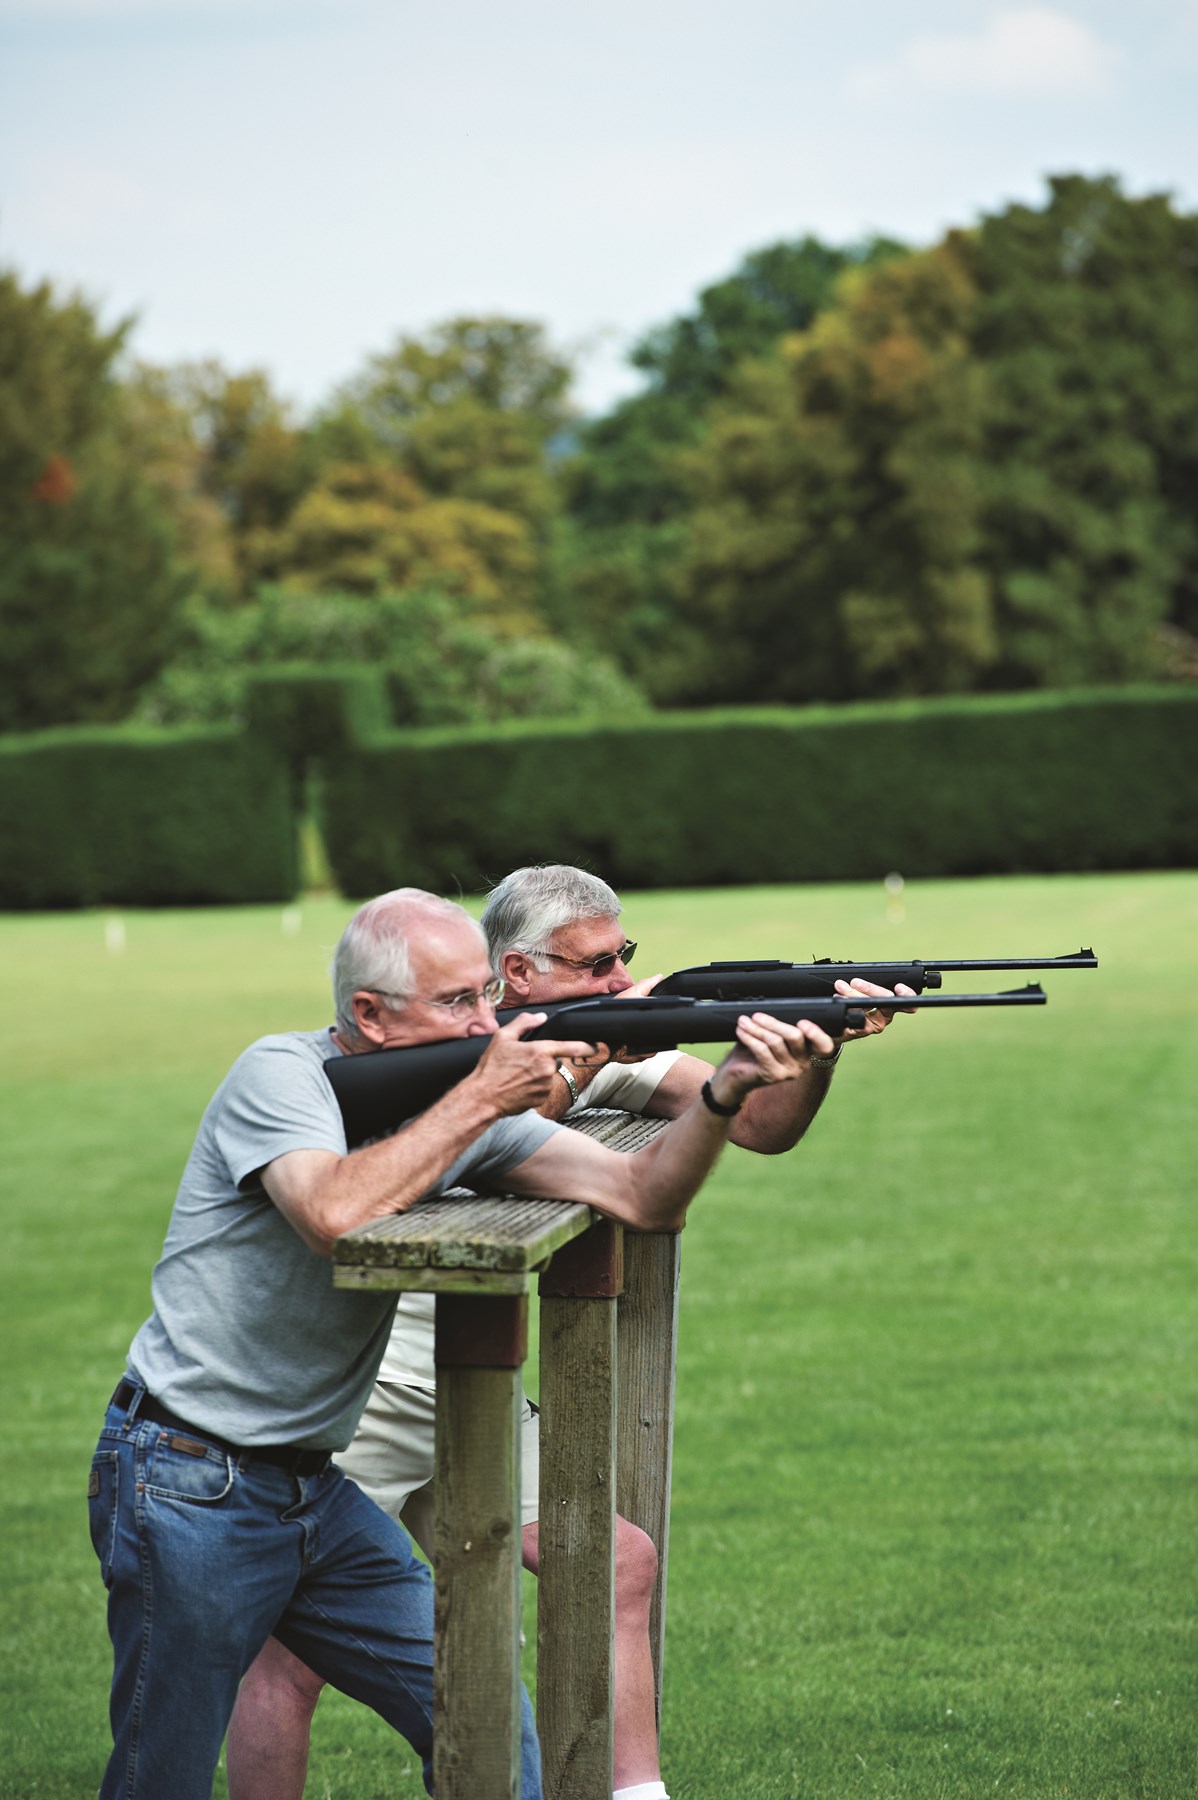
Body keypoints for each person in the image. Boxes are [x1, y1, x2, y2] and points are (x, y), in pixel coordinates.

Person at [92, 885, 818, 1800]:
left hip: (309, 1489)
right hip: (189, 1475)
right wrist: (478, 1098)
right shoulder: (280, 1075)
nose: (490, 1022)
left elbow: (641, 1195)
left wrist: (721, 1094)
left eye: (485, 995)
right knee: (162, 1776)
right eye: (459, 1004)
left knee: (484, 1729)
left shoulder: (463, 1107)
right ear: (367, 1014)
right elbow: (332, 1213)